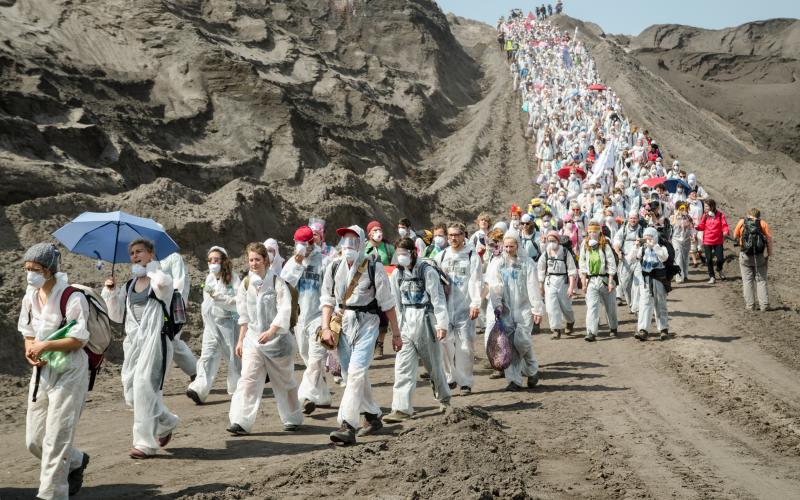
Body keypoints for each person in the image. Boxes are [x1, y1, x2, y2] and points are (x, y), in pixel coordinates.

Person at [19, 243, 91, 498]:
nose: (30, 274)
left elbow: (79, 339)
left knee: (57, 438)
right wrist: (31, 352)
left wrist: (46, 344)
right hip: (43, 372)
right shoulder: (30, 295)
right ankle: (76, 461)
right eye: (27, 268)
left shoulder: (72, 296)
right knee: (34, 440)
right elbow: (28, 333)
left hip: (70, 370)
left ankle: (51, 494)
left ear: (49, 270)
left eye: (35, 269)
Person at [319, 226, 400, 445]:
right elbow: (327, 299)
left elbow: (388, 303)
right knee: (352, 374)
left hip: (368, 323)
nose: (348, 244)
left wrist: (396, 334)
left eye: (353, 240)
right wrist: (325, 327)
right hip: (343, 323)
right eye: (345, 239)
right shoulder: (333, 266)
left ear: (362, 241)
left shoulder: (374, 267)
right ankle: (373, 416)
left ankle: (347, 425)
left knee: (355, 372)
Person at [103, 239, 179, 459]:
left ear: (150, 253)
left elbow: (164, 285)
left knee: (144, 387)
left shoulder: (160, 279)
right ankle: (166, 421)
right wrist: (111, 291)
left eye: (139, 252)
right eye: (132, 253)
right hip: (134, 345)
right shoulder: (129, 285)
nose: (135, 256)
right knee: (130, 391)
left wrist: (152, 269)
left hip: (155, 343)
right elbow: (117, 316)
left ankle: (144, 443)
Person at [227, 242, 302, 435]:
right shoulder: (246, 284)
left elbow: (285, 309)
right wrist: (241, 340)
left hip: (278, 342)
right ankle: (240, 421)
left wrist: (271, 331)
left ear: (266, 261)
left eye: (257, 260)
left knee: (284, 381)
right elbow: (243, 314)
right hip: (254, 341)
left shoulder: (277, 283)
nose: (254, 263)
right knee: (248, 379)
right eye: (251, 260)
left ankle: (292, 417)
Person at [383, 238, 451, 422]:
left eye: (404, 254)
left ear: (414, 252)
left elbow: (438, 299)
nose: (401, 257)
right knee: (402, 366)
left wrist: (442, 325)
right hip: (406, 321)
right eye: (398, 254)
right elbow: (395, 302)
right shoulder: (397, 274)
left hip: (426, 320)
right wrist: (396, 329)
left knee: (434, 365)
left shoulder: (427, 271)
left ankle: (444, 400)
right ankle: (401, 408)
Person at [281, 226, 332, 414]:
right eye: (298, 244)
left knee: (316, 359)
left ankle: (305, 396)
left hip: (319, 317)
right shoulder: (292, 262)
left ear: (313, 242)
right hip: (300, 318)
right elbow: (284, 285)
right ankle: (324, 396)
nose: (302, 247)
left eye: (305, 244)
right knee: (307, 356)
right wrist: (297, 262)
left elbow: (330, 290)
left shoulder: (324, 262)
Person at [485, 232, 544, 391]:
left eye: (512, 246)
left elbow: (533, 287)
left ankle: (532, 370)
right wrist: (497, 304)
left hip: (524, 309)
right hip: (506, 310)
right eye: (506, 246)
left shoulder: (527, 263)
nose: (509, 249)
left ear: (518, 246)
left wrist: (537, 308)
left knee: (522, 341)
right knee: (509, 345)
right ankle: (514, 380)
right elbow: (494, 286)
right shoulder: (499, 263)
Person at [186, 246, 241, 405]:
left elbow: (237, 301)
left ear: (224, 261)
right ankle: (199, 389)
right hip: (211, 325)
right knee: (207, 356)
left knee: (233, 358)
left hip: (228, 324)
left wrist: (221, 298)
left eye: (216, 260)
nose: (212, 263)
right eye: (210, 260)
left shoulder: (233, 278)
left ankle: (237, 388)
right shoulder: (209, 278)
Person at [436, 222, 483, 395]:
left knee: (465, 346)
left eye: (457, 235)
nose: (453, 238)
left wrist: (475, 303)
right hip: (445, 309)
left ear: (464, 235)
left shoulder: (471, 255)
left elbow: (476, 280)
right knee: (443, 344)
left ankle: (465, 382)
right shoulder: (441, 256)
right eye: (450, 235)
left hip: (465, 307)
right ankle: (450, 377)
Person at [159, 252, 198, 382]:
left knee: (171, 338)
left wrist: (175, 307)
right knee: (166, 340)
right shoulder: (150, 258)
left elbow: (179, 282)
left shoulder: (172, 257)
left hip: (171, 305)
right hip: (156, 305)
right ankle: (196, 372)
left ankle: (196, 372)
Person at [578, 222, 618, 341]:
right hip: (591, 280)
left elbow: (611, 263)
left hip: (605, 279)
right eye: (590, 232)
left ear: (599, 232)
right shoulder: (585, 245)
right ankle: (591, 332)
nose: (592, 234)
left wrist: (610, 281)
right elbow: (582, 264)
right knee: (592, 307)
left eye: (594, 232)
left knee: (610, 306)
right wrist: (584, 283)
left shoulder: (604, 244)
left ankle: (613, 328)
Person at [632, 227, 670, 341]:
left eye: (650, 236)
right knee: (644, 304)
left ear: (655, 237)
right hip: (646, 280)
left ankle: (663, 329)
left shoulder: (661, 247)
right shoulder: (643, 249)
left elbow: (664, 257)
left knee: (660, 304)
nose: (648, 239)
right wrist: (636, 246)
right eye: (646, 236)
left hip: (659, 279)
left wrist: (654, 246)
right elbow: (631, 259)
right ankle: (643, 330)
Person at [364, 220, 394, 359]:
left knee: (383, 316)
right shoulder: (364, 248)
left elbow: (396, 265)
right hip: (368, 288)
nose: (378, 233)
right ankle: (369, 343)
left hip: (385, 286)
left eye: (379, 229)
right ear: (369, 233)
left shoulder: (388, 248)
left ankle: (380, 345)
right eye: (374, 230)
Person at [538, 230, 576, 339]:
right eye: (549, 241)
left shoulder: (565, 252)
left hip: (563, 281)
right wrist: (541, 286)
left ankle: (570, 321)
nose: (551, 243)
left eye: (553, 240)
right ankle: (556, 329)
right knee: (551, 307)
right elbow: (541, 270)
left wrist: (571, 287)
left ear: (558, 241)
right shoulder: (545, 253)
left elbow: (572, 270)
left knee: (566, 307)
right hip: (550, 281)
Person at [734, 208, 772, 311]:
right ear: (759, 216)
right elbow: (768, 240)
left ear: (748, 215)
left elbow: (735, 235)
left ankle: (750, 306)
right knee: (761, 281)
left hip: (745, 255)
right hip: (759, 256)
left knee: (747, 281)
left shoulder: (742, 222)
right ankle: (764, 305)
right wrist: (769, 253)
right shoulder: (763, 223)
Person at [695, 198, 730, 284]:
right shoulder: (705, 215)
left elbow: (724, 225)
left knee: (720, 259)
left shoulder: (720, 215)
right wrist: (696, 226)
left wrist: (725, 231)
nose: (705, 208)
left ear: (712, 206)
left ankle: (719, 269)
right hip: (707, 240)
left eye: (706, 206)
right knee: (709, 259)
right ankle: (712, 277)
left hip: (718, 240)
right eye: (705, 206)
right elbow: (702, 226)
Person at [670, 202, 694, 283]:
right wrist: (676, 216)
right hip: (676, 239)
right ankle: (679, 276)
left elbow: (691, 228)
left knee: (685, 258)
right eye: (681, 208)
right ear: (678, 209)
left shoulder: (689, 217)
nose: (683, 210)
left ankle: (685, 275)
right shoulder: (673, 217)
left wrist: (693, 236)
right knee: (678, 257)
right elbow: (671, 225)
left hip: (686, 239)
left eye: (685, 208)